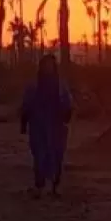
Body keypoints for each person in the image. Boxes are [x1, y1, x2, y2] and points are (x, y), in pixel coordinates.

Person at [20, 54, 73, 197]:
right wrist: (24, 121)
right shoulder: (34, 85)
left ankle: (55, 186)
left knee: (57, 155)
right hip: (38, 125)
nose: (48, 68)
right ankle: (40, 185)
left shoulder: (61, 85)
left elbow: (68, 103)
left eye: (50, 65)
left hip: (56, 125)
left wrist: (67, 115)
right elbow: (26, 105)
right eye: (45, 65)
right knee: (39, 155)